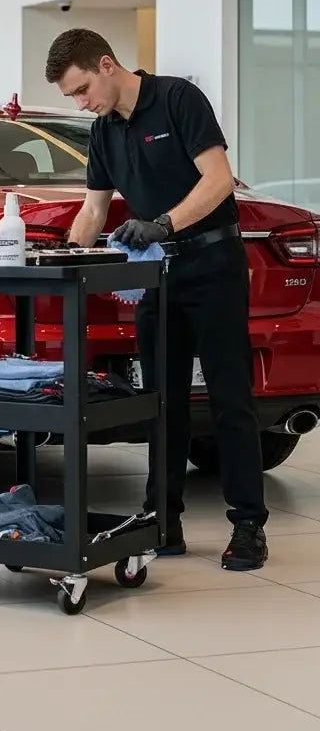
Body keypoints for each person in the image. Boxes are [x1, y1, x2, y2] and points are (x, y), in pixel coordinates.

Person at [44, 28, 268, 571]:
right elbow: (94, 210)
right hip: (157, 275)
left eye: (81, 89)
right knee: (160, 402)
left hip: (212, 265)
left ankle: (247, 527)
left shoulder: (177, 100)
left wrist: (163, 224)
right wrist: (66, 258)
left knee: (228, 398)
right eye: (71, 97)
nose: (80, 102)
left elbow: (218, 181)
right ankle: (162, 522)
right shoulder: (102, 131)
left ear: (106, 63)